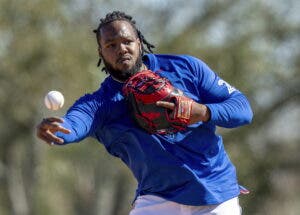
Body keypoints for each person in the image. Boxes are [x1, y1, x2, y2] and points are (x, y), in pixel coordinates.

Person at [36, 11, 253, 215]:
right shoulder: (101, 103)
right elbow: (74, 124)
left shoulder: (185, 68)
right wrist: (57, 130)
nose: (121, 49)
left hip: (214, 192)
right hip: (158, 198)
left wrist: (203, 111)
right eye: (111, 45)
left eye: (127, 41)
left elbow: (242, 109)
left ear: (139, 42)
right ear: (101, 52)